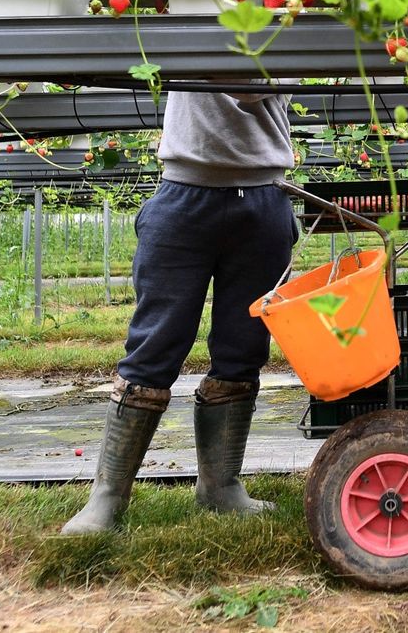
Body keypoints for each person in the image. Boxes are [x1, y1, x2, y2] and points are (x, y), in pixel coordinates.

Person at [62, 86, 296, 534]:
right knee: (155, 343)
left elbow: (250, 90)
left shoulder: (282, 19)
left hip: (264, 195)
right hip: (184, 193)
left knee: (243, 346)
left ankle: (220, 487)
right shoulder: (193, 15)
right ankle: (108, 497)